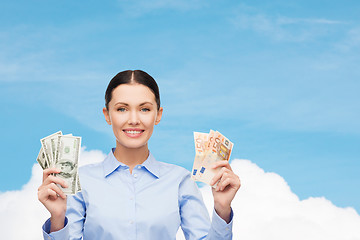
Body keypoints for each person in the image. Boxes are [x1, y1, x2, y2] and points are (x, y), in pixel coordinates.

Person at [38, 70, 241, 240]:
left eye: (144, 109)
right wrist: (57, 218)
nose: (134, 119)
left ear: (158, 115)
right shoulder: (80, 181)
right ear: (107, 115)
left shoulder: (179, 180)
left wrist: (222, 209)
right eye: (122, 109)